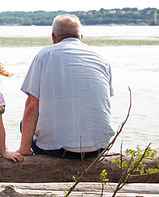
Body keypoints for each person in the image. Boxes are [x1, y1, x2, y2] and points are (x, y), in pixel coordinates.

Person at [17, 14, 115, 159]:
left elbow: (32, 105)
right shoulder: (101, 58)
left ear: (53, 37)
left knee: (23, 124)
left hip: (59, 150)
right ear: (81, 37)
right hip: (99, 147)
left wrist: (24, 149)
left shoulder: (44, 55)